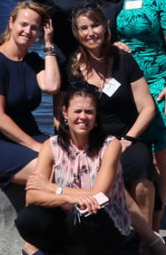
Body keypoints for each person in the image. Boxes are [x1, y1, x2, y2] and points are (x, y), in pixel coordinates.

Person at [62, 5, 166, 255]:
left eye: (95, 25)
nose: (91, 33)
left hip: (124, 138)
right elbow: (64, 114)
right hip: (90, 143)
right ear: (77, 33)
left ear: (105, 27)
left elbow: (147, 107)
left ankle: (145, 240)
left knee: (142, 172)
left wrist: (129, 139)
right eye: (83, 28)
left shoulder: (123, 59)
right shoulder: (73, 65)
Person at [106, 0, 166, 230]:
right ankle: (128, 221)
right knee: (128, 153)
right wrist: (113, 44)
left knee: (158, 158)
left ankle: (154, 229)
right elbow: (92, 36)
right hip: (122, 88)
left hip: (158, 84)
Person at [16, 84, 136, 255]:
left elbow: (98, 197)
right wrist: (68, 198)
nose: (83, 117)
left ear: (96, 116)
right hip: (66, 219)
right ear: (65, 113)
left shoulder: (110, 145)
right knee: (28, 218)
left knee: (82, 215)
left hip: (104, 223)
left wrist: (52, 188)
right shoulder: (51, 145)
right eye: (77, 111)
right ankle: (58, 250)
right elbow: (32, 195)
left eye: (89, 112)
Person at [0, 2, 61, 189]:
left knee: (78, 158)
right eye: (23, 24)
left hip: (29, 132)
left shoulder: (33, 61)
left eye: (34, 28)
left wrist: (49, 43)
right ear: (11, 23)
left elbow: (52, 86)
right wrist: (36, 146)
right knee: (52, 170)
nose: (28, 31)